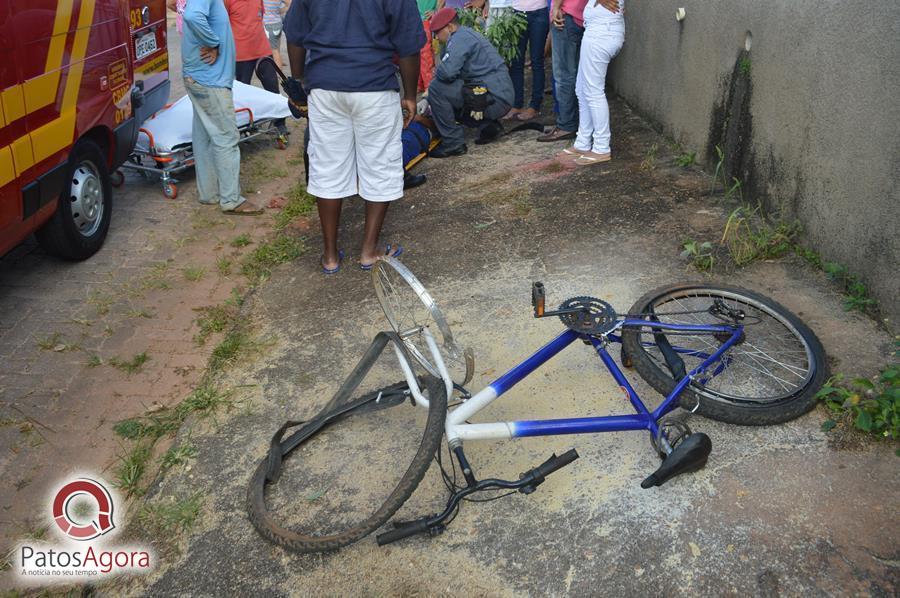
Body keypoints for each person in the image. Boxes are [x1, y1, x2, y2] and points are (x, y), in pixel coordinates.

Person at [284, 0, 424, 273]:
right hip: (374, 85)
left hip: (325, 87)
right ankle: (369, 250)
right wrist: (409, 95)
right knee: (379, 165)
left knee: (327, 167)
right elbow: (408, 45)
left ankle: (329, 256)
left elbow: (295, 35)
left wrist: (300, 81)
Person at [182, 0, 262, 214]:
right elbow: (192, 15)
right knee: (226, 137)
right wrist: (213, 42)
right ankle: (231, 200)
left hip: (201, 78)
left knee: (205, 138)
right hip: (210, 81)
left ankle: (209, 194)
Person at [426, 8, 515, 158]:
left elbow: (447, 73)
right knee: (449, 89)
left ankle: (453, 143)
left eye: (437, 33)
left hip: (495, 98)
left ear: (450, 27)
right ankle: (489, 126)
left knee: (436, 89)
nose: (436, 38)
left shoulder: (459, 39)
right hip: (497, 94)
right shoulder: (464, 34)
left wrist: (437, 72)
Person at [566, 0, 623, 165]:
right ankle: (583, 142)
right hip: (596, 30)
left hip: (603, 32)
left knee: (593, 91)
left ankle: (602, 147)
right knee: (582, 89)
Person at [225, 0, 288, 138]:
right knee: (242, 93)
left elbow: (260, 17)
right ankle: (244, 127)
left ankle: (279, 123)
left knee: (273, 88)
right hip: (241, 54)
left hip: (262, 50)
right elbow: (223, 24)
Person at [537, 0, 587, 141]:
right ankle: (574, 122)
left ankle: (566, 125)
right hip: (578, 16)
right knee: (574, 75)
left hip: (566, 15)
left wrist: (556, 7)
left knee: (564, 76)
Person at [506, 0, 550, 121]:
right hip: (516, 13)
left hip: (539, 12)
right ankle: (516, 104)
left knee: (537, 61)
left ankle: (534, 106)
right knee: (516, 62)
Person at [263, 0, 290, 67]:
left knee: (274, 51)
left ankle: (279, 73)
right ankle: (278, 62)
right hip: (277, 23)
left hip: (268, 25)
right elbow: (290, 4)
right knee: (276, 47)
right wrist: (280, 11)